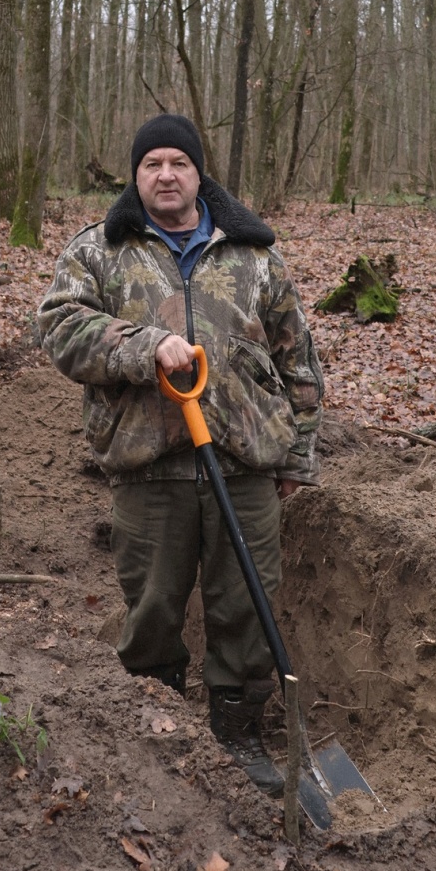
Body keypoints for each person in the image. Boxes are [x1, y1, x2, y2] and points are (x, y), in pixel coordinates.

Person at [37, 113, 323, 794]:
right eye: (152, 165)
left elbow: (299, 359)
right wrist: (141, 345)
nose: (166, 175)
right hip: (149, 468)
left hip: (245, 465)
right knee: (154, 608)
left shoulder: (254, 256)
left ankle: (238, 734)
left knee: (245, 607)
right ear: (135, 177)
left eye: (178, 163)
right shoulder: (99, 252)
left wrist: (296, 455)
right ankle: (155, 733)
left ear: (200, 174)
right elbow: (57, 330)